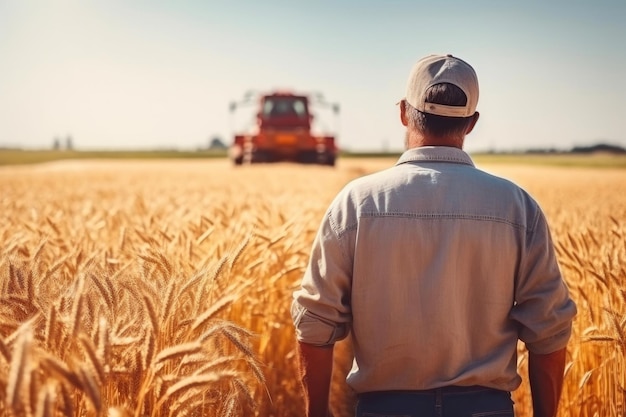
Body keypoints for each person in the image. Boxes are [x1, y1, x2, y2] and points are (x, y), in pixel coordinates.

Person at [291, 54, 577, 417]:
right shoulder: (518, 208)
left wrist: (317, 412)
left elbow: (315, 320)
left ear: (403, 113)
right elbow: (550, 329)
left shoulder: (356, 203)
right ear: (471, 124)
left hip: (384, 409)